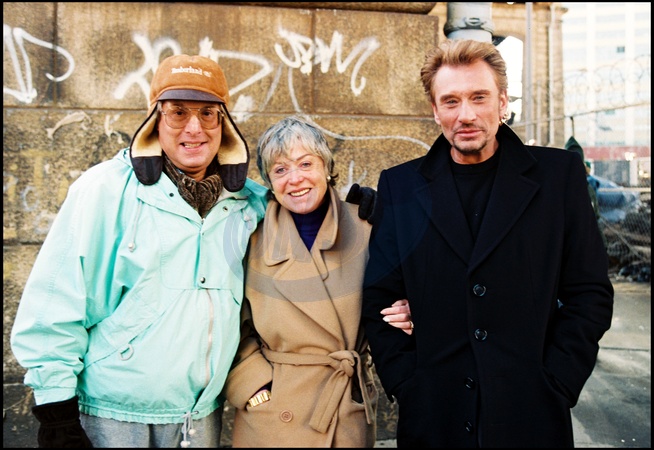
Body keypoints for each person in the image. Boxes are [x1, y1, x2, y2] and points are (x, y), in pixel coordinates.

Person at [9, 55, 388, 448]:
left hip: (200, 418)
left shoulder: (248, 204)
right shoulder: (103, 190)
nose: (194, 128)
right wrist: (55, 412)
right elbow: (54, 303)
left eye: (208, 113)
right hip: (113, 414)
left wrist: (364, 211)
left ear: (224, 122)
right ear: (154, 118)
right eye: (178, 112)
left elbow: (301, 203)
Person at [361, 39, 614, 448]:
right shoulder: (400, 186)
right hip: (433, 419)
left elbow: (590, 292)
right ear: (435, 110)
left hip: (532, 418)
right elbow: (379, 297)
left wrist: (558, 381)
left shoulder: (558, 177)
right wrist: (407, 382)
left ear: (502, 102)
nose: (466, 114)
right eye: (451, 101)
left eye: (479, 97)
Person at [222, 116, 412, 447]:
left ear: (326, 167)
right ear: (270, 182)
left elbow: (419, 289)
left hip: (344, 409)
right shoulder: (250, 236)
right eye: (280, 169)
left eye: (306, 164)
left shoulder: (368, 228)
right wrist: (250, 384)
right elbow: (226, 320)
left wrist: (410, 311)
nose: (295, 179)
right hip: (272, 416)